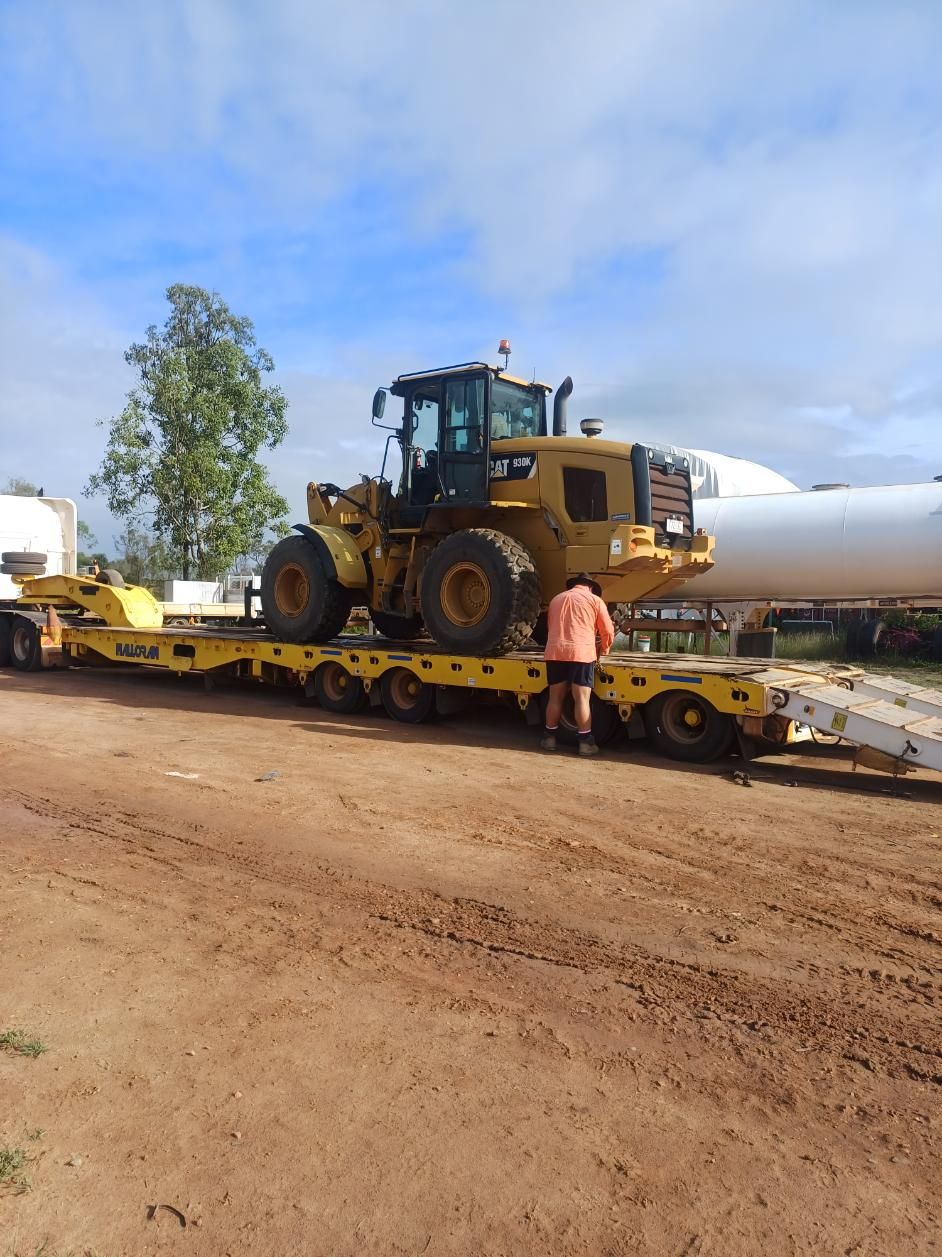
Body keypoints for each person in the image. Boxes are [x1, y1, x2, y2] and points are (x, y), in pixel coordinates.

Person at [541, 573, 614, 756]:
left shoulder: (556, 599)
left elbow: (550, 627)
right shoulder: (595, 600)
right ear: (590, 587)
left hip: (555, 652)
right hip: (581, 653)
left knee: (555, 697)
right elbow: (607, 630)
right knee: (581, 699)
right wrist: (604, 650)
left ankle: (549, 738)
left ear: (573, 585)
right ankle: (585, 743)